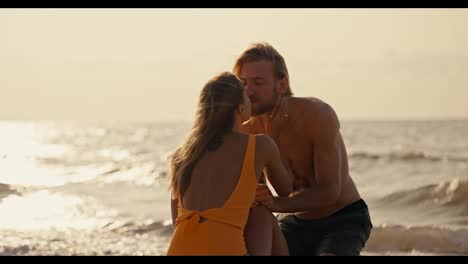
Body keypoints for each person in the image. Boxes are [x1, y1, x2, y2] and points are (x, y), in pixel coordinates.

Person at [235, 42, 373, 256]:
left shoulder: (316, 115)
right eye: (243, 83)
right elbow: (255, 197)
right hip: (295, 222)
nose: (248, 91)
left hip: (344, 219)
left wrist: (275, 203)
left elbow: (330, 191)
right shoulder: (247, 131)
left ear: (282, 84)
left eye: (258, 82)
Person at [166, 72, 293, 256]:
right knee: (261, 210)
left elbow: (176, 221)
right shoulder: (260, 145)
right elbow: (285, 190)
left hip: (179, 250)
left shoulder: (182, 155)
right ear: (240, 107)